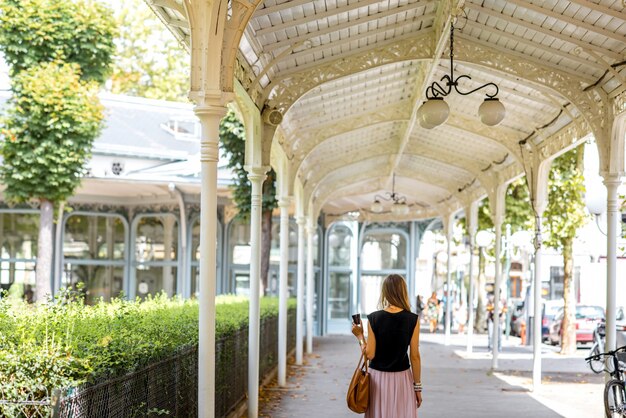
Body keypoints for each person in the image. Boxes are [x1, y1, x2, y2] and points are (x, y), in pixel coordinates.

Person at [351, 274, 422, 417]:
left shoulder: (374, 318)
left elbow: (370, 354)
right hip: (403, 379)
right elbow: (414, 356)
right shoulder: (412, 319)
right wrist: (417, 388)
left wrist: (359, 336)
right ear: (403, 291)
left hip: (378, 379)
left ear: (385, 292)